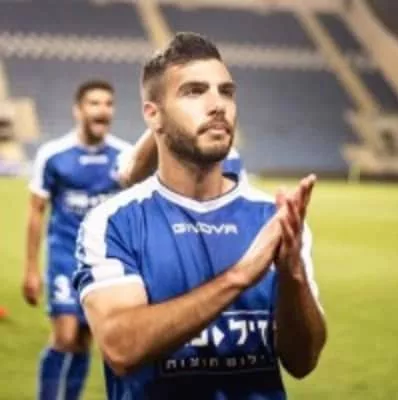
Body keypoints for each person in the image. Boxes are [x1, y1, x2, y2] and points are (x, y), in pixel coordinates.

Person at [74, 33, 327, 400]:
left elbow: (303, 362)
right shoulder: (113, 222)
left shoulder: (274, 220)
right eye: (194, 92)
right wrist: (239, 277)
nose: (217, 105)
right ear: (153, 115)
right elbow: (121, 348)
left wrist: (293, 276)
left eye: (226, 92)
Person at [22, 80, 132, 400]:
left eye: (108, 104)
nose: (103, 110)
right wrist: (31, 269)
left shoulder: (125, 156)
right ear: (78, 110)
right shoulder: (53, 154)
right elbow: (36, 212)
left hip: (103, 264)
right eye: (94, 103)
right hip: (64, 256)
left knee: (84, 340)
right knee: (65, 336)